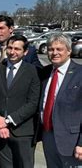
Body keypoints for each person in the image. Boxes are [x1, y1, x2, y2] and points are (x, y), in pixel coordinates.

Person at [0, 35, 40, 168]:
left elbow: (33, 103)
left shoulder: (32, 71)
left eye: (17, 49)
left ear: (25, 52)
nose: (12, 52)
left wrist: (8, 120)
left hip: (23, 131)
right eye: (9, 48)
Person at [38, 33, 82, 167]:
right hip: (48, 136)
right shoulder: (44, 73)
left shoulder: (80, 73)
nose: (54, 53)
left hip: (72, 141)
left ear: (69, 51)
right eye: (51, 49)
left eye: (59, 49)